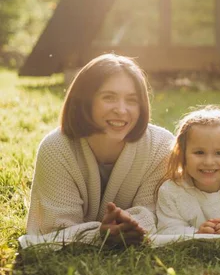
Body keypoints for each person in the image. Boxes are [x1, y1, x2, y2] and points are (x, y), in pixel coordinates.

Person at [26, 54, 174, 245]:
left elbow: (154, 214)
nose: (121, 110)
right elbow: (54, 228)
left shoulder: (161, 146)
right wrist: (100, 235)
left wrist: (130, 226)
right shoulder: (56, 148)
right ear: (85, 101)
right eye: (109, 97)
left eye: (131, 100)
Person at [156, 106, 220, 235]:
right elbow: (167, 229)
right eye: (199, 152)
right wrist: (197, 233)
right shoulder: (172, 191)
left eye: (219, 153)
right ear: (182, 154)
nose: (209, 162)